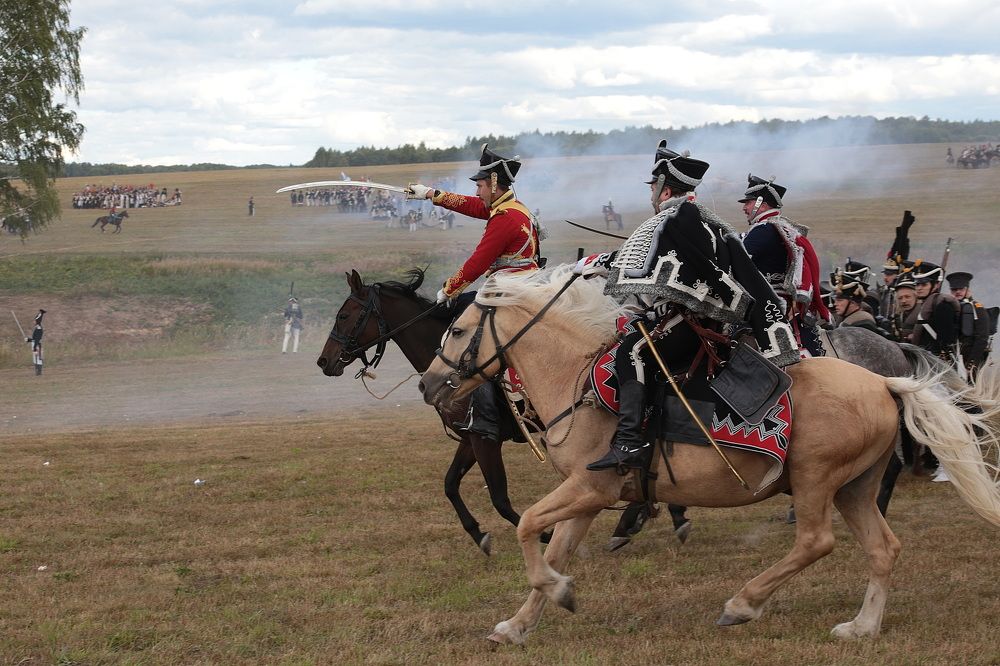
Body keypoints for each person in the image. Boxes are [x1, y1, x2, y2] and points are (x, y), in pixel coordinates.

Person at [575, 140, 799, 472]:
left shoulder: (677, 218)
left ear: (666, 190)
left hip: (693, 319)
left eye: (654, 185)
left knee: (632, 352)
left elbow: (638, 260)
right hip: (689, 313)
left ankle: (629, 442)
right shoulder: (693, 217)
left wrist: (595, 263)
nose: (651, 191)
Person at [405, 144, 544, 443]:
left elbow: (478, 262)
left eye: (481, 185)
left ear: (494, 184)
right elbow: (472, 205)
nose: (478, 191)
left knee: (467, 326)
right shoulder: (509, 208)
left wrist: (447, 290)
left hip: (511, 291)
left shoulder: (505, 218)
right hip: (514, 285)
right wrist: (432, 194)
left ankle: (485, 402)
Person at [739, 174, 829, 357]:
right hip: (772, 297)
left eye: (747, 202)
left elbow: (739, 259)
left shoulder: (764, 230)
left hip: (768, 300)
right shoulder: (773, 227)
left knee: (731, 333)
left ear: (760, 204)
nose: (744, 208)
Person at [946, 271, 991, 379]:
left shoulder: (977, 308)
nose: (957, 292)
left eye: (961, 289)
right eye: (954, 289)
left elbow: (982, 338)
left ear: (967, 289)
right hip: (953, 358)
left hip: (971, 358)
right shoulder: (949, 308)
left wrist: (970, 365)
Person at [911, 261, 960, 360]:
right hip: (924, 358)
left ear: (936, 285)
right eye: (917, 284)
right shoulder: (926, 305)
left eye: (924, 284)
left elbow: (946, 341)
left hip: (937, 361)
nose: (919, 288)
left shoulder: (943, 307)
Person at [890, 272, 921, 342]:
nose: (903, 301)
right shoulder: (897, 316)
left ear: (916, 296)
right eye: (900, 298)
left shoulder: (924, 315)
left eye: (907, 297)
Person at [25, 309, 45, 375]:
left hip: (37, 345)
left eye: (34, 320)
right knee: (35, 359)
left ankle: (39, 372)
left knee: (38, 359)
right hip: (35, 344)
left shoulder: (39, 329)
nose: (33, 322)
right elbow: (34, 339)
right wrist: (28, 340)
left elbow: (37, 339)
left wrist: (34, 348)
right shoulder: (37, 328)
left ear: (37, 321)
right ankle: (37, 372)